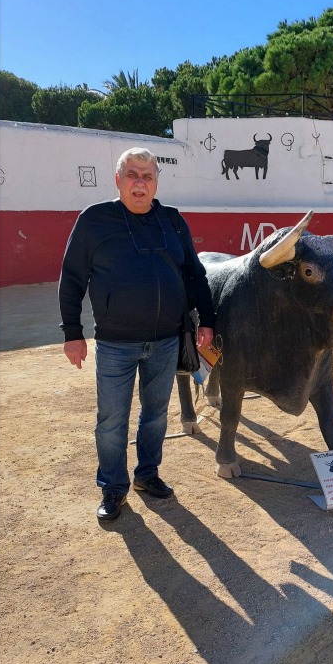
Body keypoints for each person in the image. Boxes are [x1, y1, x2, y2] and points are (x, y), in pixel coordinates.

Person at [58, 147, 215, 521]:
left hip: (165, 341)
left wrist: (207, 319)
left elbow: (194, 274)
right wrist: (72, 332)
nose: (140, 182)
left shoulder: (173, 221)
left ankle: (147, 475)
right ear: (118, 180)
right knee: (111, 421)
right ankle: (113, 488)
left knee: (156, 415)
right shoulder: (95, 220)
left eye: (147, 175)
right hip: (115, 343)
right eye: (132, 174)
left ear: (156, 181)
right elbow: (73, 278)